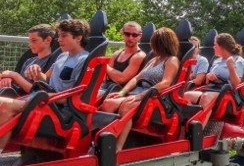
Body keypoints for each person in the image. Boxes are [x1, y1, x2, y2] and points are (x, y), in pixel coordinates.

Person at [0, 19, 90, 152]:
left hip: (59, 108)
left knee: (4, 105)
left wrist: (47, 96)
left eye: (64, 36)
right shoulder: (62, 56)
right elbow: (45, 78)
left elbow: (79, 97)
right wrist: (36, 71)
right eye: (59, 35)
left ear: (78, 38)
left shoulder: (84, 61)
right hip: (46, 100)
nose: (59, 39)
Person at [101, 27, 180, 151]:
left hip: (155, 98)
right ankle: (103, 139)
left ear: (162, 44)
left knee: (126, 106)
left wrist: (139, 96)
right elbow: (136, 78)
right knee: (108, 103)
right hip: (138, 93)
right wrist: (122, 92)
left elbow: (165, 83)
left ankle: (116, 148)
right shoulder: (153, 60)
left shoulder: (172, 60)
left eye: (154, 43)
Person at [183, 33, 244, 125]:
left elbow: (237, 85)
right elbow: (207, 81)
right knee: (186, 95)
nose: (213, 47)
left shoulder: (238, 60)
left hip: (227, 93)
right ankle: (188, 124)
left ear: (222, 46)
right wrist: (209, 76)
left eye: (215, 45)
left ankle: (198, 130)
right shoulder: (216, 60)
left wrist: (231, 67)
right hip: (211, 89)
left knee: (205, 97)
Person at [0, 24, 56, 94]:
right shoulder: (29, 61)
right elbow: (19, 84)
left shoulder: (53, 62)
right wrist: (8, 78)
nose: (30, 44)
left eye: (34, 41)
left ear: (48, 40)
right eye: (30, 41)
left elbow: (37, 92)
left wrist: (15, 75)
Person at [101, 22, 146, 91]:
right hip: (107, 88)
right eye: (127, 34)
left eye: (134, 35)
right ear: (123, 34)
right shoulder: (116, 53)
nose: (130, 38)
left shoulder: (139, 56)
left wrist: (103, 64)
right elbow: (105, 76)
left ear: (140, 36)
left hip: (122, 93)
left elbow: (121, 79)